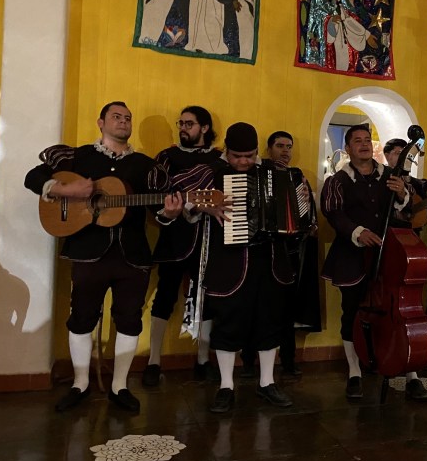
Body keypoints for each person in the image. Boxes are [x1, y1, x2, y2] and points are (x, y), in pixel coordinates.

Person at [25, 101, 181, 413]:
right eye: (116, 116)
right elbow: (32, 177)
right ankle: (80, 383)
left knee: (129, 319)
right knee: (82, 317)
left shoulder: (145, 166)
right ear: (101, 122)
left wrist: (170, 213)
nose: (123, 121)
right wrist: (67, 191)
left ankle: (120, 386)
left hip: (132, 256)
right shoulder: (77, 156)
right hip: (87, 253)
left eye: (128, 118)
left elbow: (159, 212)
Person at [173, 122, 294, 413]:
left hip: (269, 260)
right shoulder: (211, 171)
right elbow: (176, 191)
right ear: (226, 151)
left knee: (269, 321)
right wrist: (201, 206)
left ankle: (267, 382)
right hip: (229, 261)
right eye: (237, 156)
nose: (243, 162)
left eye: (249, 156)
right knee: (228, 321)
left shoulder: (273, 172)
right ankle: (226, 386)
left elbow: (291, 206)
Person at [320, 125, 427, 400]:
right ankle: (354, 372)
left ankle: (410, 372)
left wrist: (403, 195)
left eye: (367, 140)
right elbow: (333, 212)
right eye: (357, 141)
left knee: (400, 311)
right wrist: (358, 232)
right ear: (348, 149)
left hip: (389, 254)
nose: (364, 144)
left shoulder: (391, 175)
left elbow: (409, 211)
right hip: (352, 255)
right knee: (352, 312)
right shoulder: (338, 181)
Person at [143, 106, 223, 387]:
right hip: (174, 237)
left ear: (204, 128)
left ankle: (202, 360)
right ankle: (153, 361)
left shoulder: (219, 158)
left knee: (208, 299)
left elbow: (224, 197)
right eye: (181, 123)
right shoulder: (166, 157)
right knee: (165, 297)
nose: (183, 128)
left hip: (209, 238)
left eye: (189, 124)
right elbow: (155, 195)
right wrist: (181, 208)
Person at [240, 130, 321, 378]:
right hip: (259, 249)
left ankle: (288, 359)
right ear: (268, 149)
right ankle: (248, 361)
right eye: (280, 146)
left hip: (288, 251)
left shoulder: (296, 176)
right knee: (254, 306)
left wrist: (307, 212)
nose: (285, 151)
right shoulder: (255, 172)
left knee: (287, 307)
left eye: (289, 146)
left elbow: (307, 216)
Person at [304, 0, 378, 72]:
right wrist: (330, 19)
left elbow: (347, 15)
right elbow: (317, 11)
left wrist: (365, 34)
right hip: (328, 31)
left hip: (342, 34)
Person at [382, 138, 427, 230]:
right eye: (398, 153)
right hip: (387, 231)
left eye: (407, 154)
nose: (404, 157)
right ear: (387, 156)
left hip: (413, 233)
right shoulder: (381, 180)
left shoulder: (421, 185)